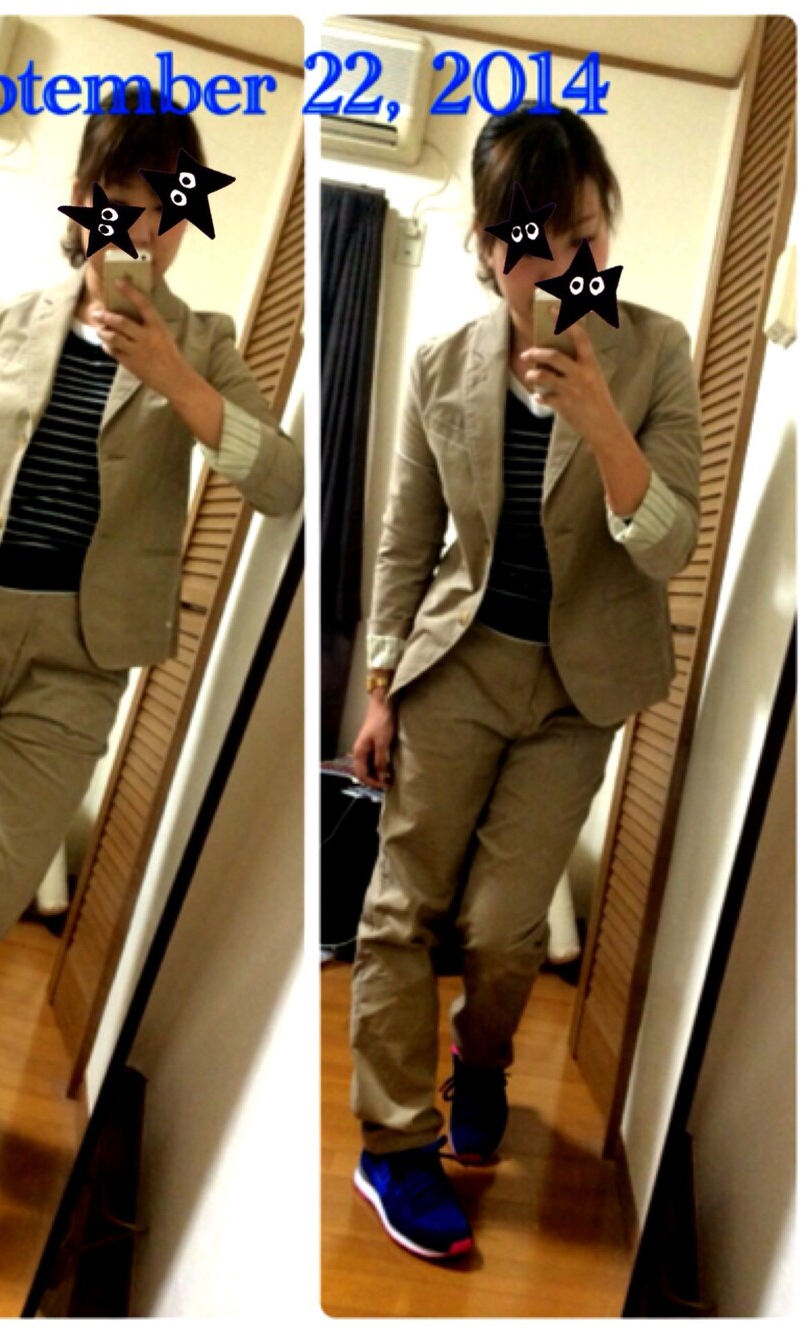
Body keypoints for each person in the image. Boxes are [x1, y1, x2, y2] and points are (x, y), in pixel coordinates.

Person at [0, 91, 302, 1196]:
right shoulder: (11, 317)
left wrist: (176, 382)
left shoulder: (204, 344)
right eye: (121, 203)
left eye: (164, 210)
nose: (142, 231)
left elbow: (281, 481)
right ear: (84, 199)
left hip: (80, 660)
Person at [348, 106, 701, 1260]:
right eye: (535, 246)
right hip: (457, 664)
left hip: (575, 685)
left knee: (504, 931)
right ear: (487, 246)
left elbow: (667, 544)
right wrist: (380, 684)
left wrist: (599, 418)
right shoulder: (440, 365)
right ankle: (393, 1143)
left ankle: (481, 1056)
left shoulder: (656, 351)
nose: (565, 268)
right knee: (399, 906)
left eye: (586, 239)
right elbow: (407, 537)